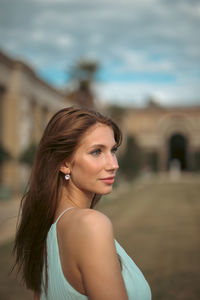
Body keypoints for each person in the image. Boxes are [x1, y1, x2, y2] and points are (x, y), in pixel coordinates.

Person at [13, 107, 151, 300]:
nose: (113, 164)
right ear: (65, 163)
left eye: (113, 150)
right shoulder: (91, 225)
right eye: (96, 152)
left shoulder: (46, 230)